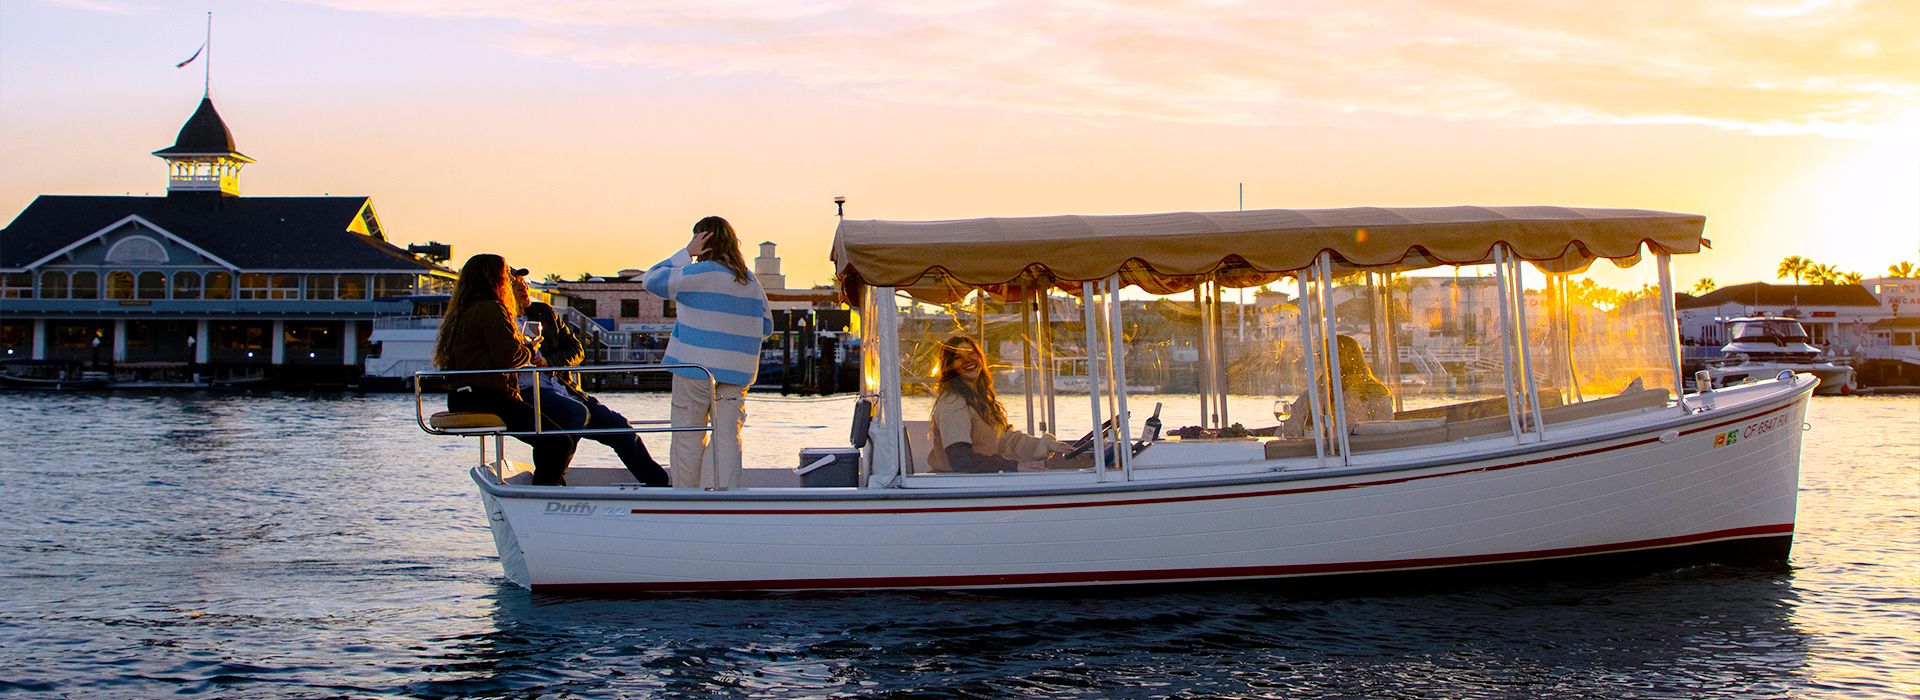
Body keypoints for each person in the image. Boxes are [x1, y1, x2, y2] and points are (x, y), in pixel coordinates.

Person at [643, 216, 772, 490]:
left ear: (702, 241)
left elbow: (651, 279)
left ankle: (687, 498)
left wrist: (686, 253)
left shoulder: (697, 275)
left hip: (695, 370)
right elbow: (767, 327)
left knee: (688, 435)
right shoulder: (751, 283)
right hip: (737, 374)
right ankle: (721, 497)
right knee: (727, 437)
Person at [434, 254, 577, 485]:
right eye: (506, 275)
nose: (510, 280)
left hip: (463, 395)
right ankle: (542, 497)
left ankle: (547, 488)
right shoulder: (492, 309)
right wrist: (530, 350)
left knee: (546, 438)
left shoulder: (464, 311)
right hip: (488, 396)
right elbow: (509, 357)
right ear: (494, 279)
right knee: (559, 441)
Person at [521, 296, 671, 487]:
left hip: (563, 386)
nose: (524, 288)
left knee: (620, 427)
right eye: (517, 283)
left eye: (525, 283)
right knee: (572, 417)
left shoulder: (544, 312)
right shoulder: (501, 318)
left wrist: (549, 361)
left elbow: (576, 349)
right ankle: (549, 483)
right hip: (526, 391)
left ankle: (659, 485)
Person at [927, 336, 1076, 473]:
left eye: (971, 354)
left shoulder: (978, 399)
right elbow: (960, 458)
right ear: (949, 367)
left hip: (977, 480)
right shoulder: (953, 402)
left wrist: (1047, 445)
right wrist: (1013, 466)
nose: (968, 361)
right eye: (959, 358)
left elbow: (1006, 441)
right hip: (956, 485)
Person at [1279, 334, 1393, 437]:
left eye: (1325, 356)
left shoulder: (1375, 395)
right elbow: (1286, 434)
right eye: (1321, 356)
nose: (1321, 360)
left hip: (1360, 457)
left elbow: (1384, 437)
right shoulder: (1311, 397)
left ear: (1345, 360)